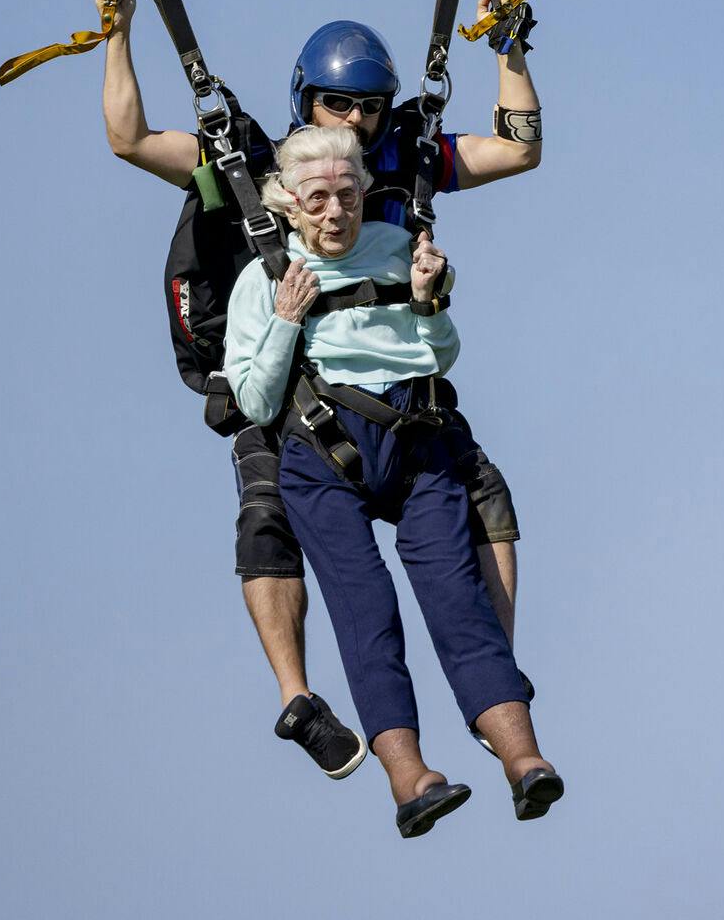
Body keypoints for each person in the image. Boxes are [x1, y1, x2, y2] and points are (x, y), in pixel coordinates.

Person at [99, 0, 544, 777]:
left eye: (371, 105)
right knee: (267, 514)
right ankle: (297, 697)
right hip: (287, 385)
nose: (358, 120)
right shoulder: (259, 168)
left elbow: (517, 147)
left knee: (484, 492)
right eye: (340, 105)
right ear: (307, 101)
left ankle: (491, 680)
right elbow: (131, 139)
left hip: (395, 386)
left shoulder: (403, 164)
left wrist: (510, 50)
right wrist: (119, 36)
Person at [223, 125, 562, 836]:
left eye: (347, 195)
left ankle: (524, 760)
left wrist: (428, 300)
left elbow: (440, 353)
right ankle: (411, 780)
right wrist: (286, 320)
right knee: (366, 609)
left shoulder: (398, 249)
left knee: (458, 598)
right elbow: (253, 404)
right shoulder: (261, 279)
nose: (335, 212)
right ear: (287, 203)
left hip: (415, 444)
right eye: (318, 199)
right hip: (323, 457)